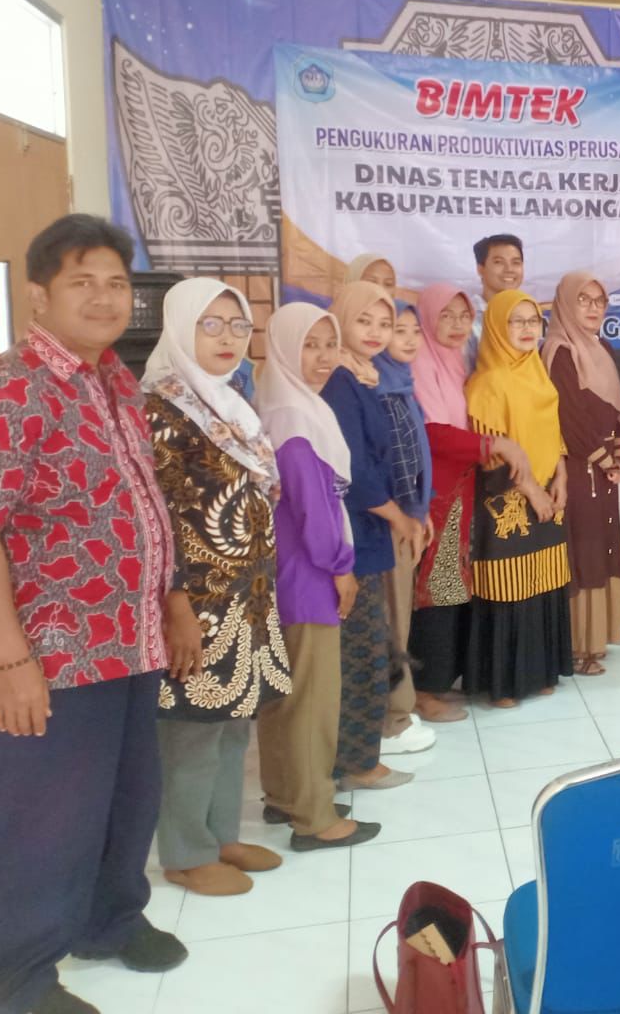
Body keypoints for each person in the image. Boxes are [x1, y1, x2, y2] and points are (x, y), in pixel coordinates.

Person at [0, 215, 187, 1014]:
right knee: (38, 820)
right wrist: (10, 660)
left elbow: (143, 504)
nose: (106, 298)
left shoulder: (115, 381)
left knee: (124, 799)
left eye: (116, 283)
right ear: (38, 295)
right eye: (83, 282)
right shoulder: (3, 389)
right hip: (45, 655)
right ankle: (15, 979)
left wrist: (173, 599)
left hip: (127, 642)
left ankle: (107, 921)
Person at [143, 279, 291, 897]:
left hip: (245, 595)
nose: (227, 338)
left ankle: (221, 834)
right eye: (211, 324)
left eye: (237, 325)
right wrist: (175, 603)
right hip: (195, 602)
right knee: (193, 728)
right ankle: (186, 852)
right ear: (181, 328)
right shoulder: (161, 410)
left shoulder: (230, 403)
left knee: (234, 721)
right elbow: (158, 518)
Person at [255, 303, 381, 851]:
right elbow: (314, 505)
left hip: (288, 570)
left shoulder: (283, 402)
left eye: (330, 345)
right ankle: (315, 816)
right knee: (312, 699)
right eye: (310, 345)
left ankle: (285, 795)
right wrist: (340, 567)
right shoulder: (295, 417)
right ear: (285, 349)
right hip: (310, 573)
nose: (324, 357)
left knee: (286, 694)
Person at [323, 281, 425, 786]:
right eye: (364, 321)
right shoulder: (340, 382)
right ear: (341, 319)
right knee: (360, 654)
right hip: (353, 535)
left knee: (368, 649)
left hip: (368, 531)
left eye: (384, 324)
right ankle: (356, 764)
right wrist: (399, 517)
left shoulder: (363, 376)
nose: (376, 332)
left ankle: (361, 758)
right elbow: (354, 469)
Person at [406, 284, 518, 718]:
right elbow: (433, 433)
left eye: (462, 316)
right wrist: (492, 444)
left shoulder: (456, 360)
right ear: (427, 318)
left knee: (453, 586)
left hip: (462, 487)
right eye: (445, 315)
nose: (455, 325)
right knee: (437, 589)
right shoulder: (419, 361)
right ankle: (425, 691)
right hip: (437, 492)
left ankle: (442, 678)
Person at [466, 289, 574, 706]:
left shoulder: (536, 371)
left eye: (534, 321)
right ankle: (504, 684)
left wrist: (561, 474)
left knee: (543, 580)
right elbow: (491, 449)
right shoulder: (487, 382)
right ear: (497, 326)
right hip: (508, 497)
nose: (528, 329)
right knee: (508, 586)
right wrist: (532, 491)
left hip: (547, 490)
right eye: (517, 321)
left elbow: (552, 429)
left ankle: (541, 672)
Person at [544, 271, 620, 676]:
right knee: (581, 548)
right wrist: (604, 460)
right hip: (577, 469)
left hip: (604, 469)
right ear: (566, 303)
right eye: (584, 299)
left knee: (603, 544)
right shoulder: (559, 352)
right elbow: (570, 417)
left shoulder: (603, 348)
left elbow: (618, 410)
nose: (594, 308)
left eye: (600, 301)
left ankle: (597, 638)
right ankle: (578, 644)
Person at [372, 300, 438, 753]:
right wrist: (404, 514)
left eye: (416, 330)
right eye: (400, 330)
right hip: (387, 523)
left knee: (400, 616)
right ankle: (391, 719)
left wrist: (420, 509)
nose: (411, 339)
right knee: (391, 619)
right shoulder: (375, 387)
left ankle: (399, 709)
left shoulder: (401, 383)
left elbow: (414, 457)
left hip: (407, 516)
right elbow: (384, 465)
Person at [467, 233, 525, 365]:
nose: (509, 269)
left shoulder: (531, 314)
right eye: (499, 262)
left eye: (516, 262)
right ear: (480, 269)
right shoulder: (467, 317)